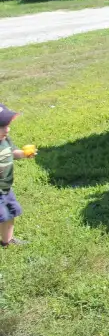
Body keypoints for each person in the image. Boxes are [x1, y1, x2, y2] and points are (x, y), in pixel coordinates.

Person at [0, 104, 36, 248]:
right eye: (2, 127)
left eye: (7, 125)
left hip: (6, 188)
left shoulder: (5, 140)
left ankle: (7, 241)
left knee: (9, 213)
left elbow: (12, 152)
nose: (7, 129)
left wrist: (23, 154)